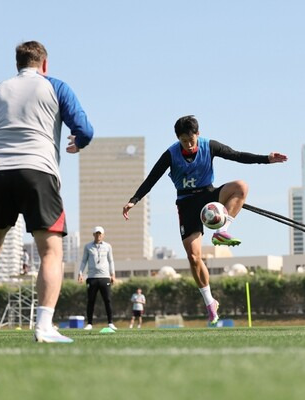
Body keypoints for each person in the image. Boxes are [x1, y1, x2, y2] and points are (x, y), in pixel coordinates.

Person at [0, 40, 94, 343]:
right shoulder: (55, 86)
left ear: (17, 64)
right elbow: (85, 130)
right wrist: (80, 143)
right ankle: (44, 327)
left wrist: (1, 156)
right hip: (39, 171)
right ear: (44, 64)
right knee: (50, 251)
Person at [123, 115, 287, 325]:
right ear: (178, 139)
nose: (189, 145)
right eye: (184, 141)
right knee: (193, 256)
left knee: (241, 187)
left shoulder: (209, 146)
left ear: (197, 135)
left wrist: (266, 158)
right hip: (186, 203)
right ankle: (210, 303)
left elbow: (237, 155)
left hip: (209, 195)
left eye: (191, 140)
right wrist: (133, 201)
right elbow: (151, 179)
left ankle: (222, 230)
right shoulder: (171, 154)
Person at [78, 226, 117, 331]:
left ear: (103, 235)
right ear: (93, 235)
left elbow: (111, 261)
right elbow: (83, 261)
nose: (98, 235)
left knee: (107, 300)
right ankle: (90, 323)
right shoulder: (88, 246)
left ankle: (110, 323)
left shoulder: (108, 246)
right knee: (91, 300)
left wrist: (113, 275)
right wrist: (80, 273)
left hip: (105, 277)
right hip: (92, 278)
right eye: (96, 234)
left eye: (100, 234)